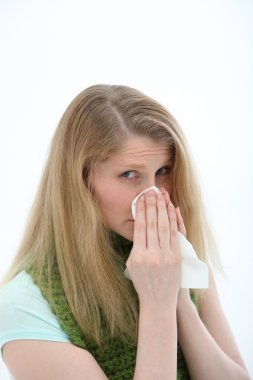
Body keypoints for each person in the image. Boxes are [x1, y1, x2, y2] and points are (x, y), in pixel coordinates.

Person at [0, 84, 250, 380]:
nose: (153, 195)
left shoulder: (180, 258)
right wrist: (157, 306)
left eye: (163, 171)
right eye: (129, 175)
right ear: (81, 183)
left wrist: (179, 300)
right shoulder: (24, 305)